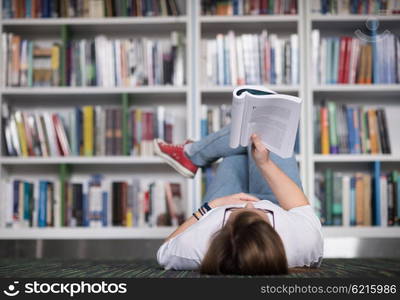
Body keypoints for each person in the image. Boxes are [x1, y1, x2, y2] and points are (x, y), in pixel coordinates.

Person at [153, 125, 323, 275]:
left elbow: (166, 248)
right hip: (279, 203)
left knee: (237, 152)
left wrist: (211, 206)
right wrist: (264, 163)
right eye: (259, 215)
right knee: (271, 129)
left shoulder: (198, 246)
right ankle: (190, 154)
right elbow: (299, 205)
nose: (249, 203)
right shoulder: (304, 242)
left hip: (221, 203)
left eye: (237, 213)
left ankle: (190, 155)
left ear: (220, 232)